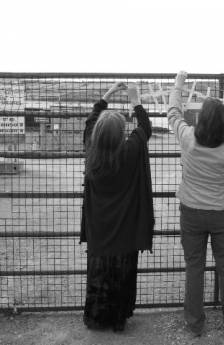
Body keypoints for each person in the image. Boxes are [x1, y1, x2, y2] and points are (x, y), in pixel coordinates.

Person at [167, 71, 224, 336]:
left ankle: (194, 325)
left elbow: (173, 113)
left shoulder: (188, 139)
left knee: (194, 268)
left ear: (202, 120)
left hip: (191, 212)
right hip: (221, 215)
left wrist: (178, 84)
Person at [80, 82, 154, 332]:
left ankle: (96, 317)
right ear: (122, 132)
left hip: (99, 229)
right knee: (123, 273)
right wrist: (135, 100)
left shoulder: (92, 151)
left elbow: (90, 121)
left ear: (98, 133)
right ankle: (119, 319)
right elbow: (145, 128)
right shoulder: (131, 150)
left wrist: (107, 95)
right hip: (125, 230)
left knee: (98, 274)